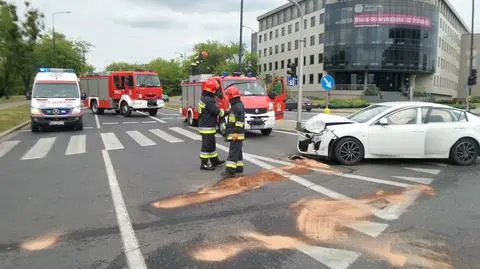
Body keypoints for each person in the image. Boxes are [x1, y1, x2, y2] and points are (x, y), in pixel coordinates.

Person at [198, 78, 225, 170]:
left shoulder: (205, 98)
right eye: (215, 89)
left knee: (211, 144)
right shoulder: (208, 100)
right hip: (207, 126)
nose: (216, 92)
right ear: (212, 90)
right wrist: (225, 112)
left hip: (208, 125)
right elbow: (216, 111)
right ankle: (204, 164)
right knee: (207, 145)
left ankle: (214, 160)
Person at [221, 86, 245, 178]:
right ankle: (239, 168)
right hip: (235, 132)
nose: (227, 97)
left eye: (228, 96)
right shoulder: (235, 105)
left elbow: (240, 121)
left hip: (236, 133)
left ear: (231, 95)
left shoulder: (237, 106)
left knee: (233, 152)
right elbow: (233, 115)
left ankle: (230, 171)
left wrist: (236, 132)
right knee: (237, 151)